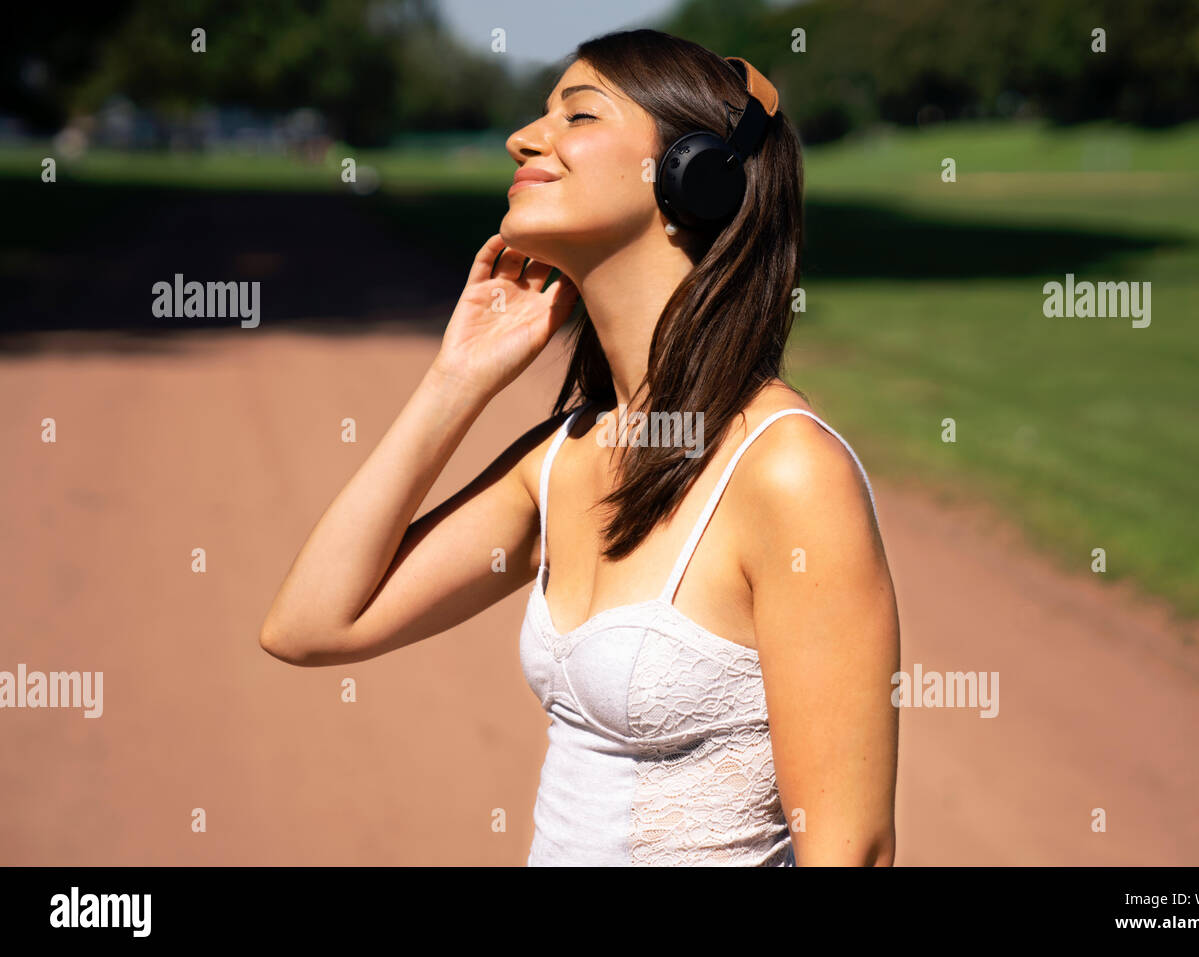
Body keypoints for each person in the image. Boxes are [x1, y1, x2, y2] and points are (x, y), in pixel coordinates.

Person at [259, 28, 900, 867]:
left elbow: (852, 852)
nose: (524, 137)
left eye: (579, 114)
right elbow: (310, 625)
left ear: (693, 177)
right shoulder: (560, 459)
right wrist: (459, 378)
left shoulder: (787, 471)